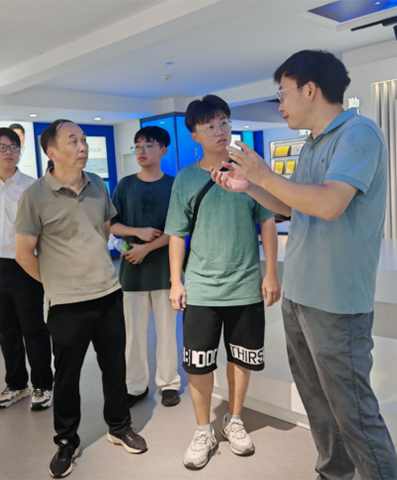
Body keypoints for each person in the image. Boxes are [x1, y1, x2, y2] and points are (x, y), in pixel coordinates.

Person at [211, 50, 397, 479]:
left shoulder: (359, 133)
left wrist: (263, 175)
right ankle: (333, 473)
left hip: (336, 300)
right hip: (300, 294)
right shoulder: (312, 143)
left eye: (283, 93)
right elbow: (295, 205)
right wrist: (249, 187)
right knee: (318, 403)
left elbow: (330, 204)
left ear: (310, 89)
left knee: (354, 411)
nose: (280, 105)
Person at [14, 119, 147, 479]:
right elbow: (24, 254)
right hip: (67, 304)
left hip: (108, 293)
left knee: (114, 367)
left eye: (84, 140)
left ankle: (119, 426)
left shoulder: (97, 184)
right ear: (52, 152)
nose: (83, 146)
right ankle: (66, 441)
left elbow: (103, 229)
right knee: (67, 376)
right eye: (73, 140)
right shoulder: (34, 196)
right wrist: (57, 283)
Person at [165, 95, 281, 470]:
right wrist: (176, 281)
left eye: (224, 123)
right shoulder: (186, 179)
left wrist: (271, 272)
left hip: (245, 285)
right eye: (211, 126)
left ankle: (235, 419)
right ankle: (204, 430)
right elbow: (176, 233)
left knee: (241, 357)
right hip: (201, 287)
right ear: (195, 135)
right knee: (199, 363)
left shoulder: (249, 171)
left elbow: (267, 222)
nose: (220, 131)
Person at [0, 127, 53, 410]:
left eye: (14, 147)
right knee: (6, 331)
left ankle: (43, 384)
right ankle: (16, 385)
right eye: (1, 147)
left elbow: (46, 231)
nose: (9, 152)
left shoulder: (34, 186)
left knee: (33, 328)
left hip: (24, 265)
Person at [110, 126, 181, 408]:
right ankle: (136, 385)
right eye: (137, 146)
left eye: (148, 145)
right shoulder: (125, 185)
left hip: (165, 270)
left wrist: (147, 248)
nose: (141, 151)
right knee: (134, 334)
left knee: (167, 332)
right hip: (132, 271)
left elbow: (178, 229)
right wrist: (137, 233)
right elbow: (111, 224)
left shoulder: (174, 185)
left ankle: (169, 383)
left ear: (163, 150)